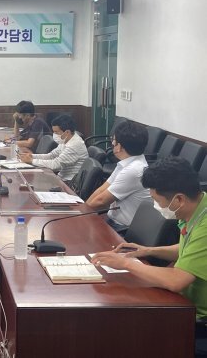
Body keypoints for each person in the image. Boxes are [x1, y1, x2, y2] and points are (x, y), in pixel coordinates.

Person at [91, 156, 207, 356]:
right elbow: (188, 248)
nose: (155, 205)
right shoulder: (197, 206)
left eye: (156, 200)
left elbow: (177, 281)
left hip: (198, 321)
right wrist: (149, 251)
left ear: (179, 199)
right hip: (186, 306)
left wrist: (126, 264)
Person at [86, 120, 152, 235]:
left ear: (119, 146)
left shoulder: (134, 170)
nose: (112, 143)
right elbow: (102, 190)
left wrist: (81, 213)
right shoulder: (126, 163)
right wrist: (83, 209)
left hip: (124, 230)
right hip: (112, 221)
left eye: (114, 140)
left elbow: (101, 201)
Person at [19, 114, 88, 181]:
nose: (54, 135)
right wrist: (32, 156)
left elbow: (55, 165)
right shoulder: (66, 139)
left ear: (67, 132)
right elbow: (51, 155)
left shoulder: (74, 145)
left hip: (68, 182)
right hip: (61, 178)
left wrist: (32, 161)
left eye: (56, 132)